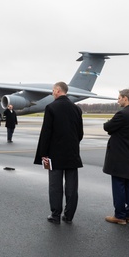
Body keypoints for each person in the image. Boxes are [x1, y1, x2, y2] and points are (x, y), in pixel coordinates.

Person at [34, 82, 83, 224]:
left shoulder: (51, 107)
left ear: (57, 91)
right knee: (72, 186)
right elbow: (80, 133)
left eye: (53, 91)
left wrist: (43, 153)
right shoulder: (76, 109)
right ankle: (69, 215)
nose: (52, 93)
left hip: (54, 154)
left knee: (55, 186)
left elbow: (46, 133)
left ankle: (55, 215)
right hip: (72, 154)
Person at [102, 88, 129, 225]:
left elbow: (107, 127)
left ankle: (119, 215)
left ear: (125, 98)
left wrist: (109, 122)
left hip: (119, 156)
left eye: (119, 97)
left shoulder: (122, 114)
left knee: (118, 185)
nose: (118, 100)